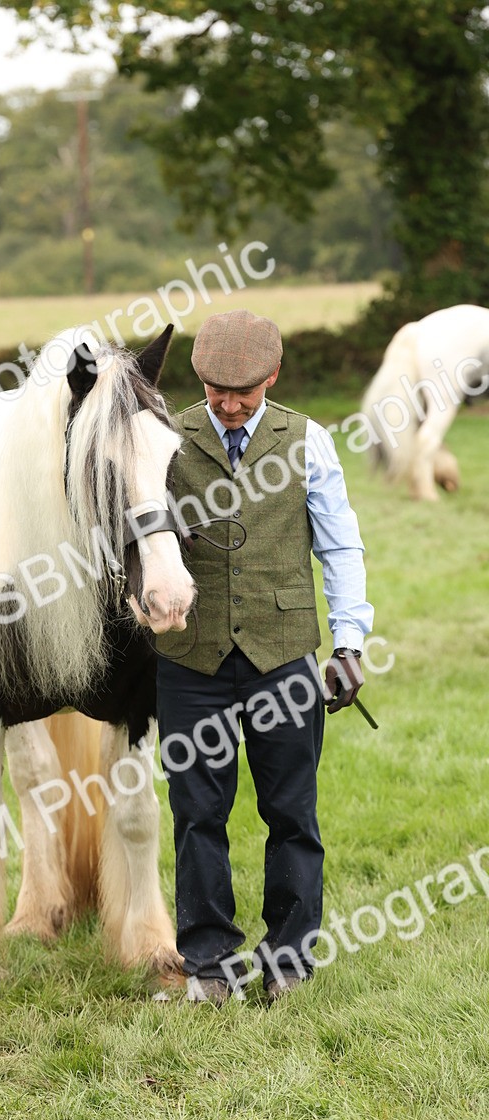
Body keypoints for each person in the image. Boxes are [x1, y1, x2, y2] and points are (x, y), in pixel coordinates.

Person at [155, 309, 373, 1005]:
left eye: (243, 388)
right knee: (197, 815)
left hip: (284, 656)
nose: (228, 401)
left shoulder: (309, 439)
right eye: (216, 387)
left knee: (292, 812)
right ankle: (209, 962)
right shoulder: (162, 438)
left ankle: (288, 959)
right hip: (190, 661)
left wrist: (349, 643)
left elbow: (339, 547)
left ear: (272, 376)